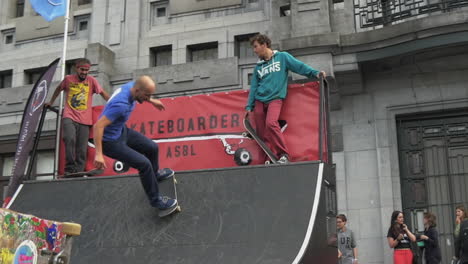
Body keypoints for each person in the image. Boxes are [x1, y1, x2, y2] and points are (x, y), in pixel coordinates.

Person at [92, 76, 177, 211]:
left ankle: (154, 176)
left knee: (152, 147)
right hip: (109, 142)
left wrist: (152, 101)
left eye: (150, 95)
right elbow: (97, 126)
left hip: (121, 131)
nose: (147, 98)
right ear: (137, 90)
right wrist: (98, 154)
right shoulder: (120, 105)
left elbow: (142, 92)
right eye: (146, 96)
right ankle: (156, 201)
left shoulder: (133, 86)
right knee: (144, 164)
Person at [245, 34, 326, 164]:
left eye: (255, 47)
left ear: (264, 45)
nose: (254, 50)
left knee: (271, 124)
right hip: (260, 100)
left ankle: (284, 155)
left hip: (275, 98)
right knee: (261, 132)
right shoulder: (258, 67)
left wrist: (315, 73)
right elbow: (254, 87)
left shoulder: (282, 57)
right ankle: (268, 157)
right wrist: (249, 106)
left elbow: (299, 66)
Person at [46, 58, 110, 175]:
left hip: (85, 120)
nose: (84, 72)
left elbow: (102, 93)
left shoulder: (91, 81)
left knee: (81, 148)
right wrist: (51, 102)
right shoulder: (68, 79)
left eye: (87, 70)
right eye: (82, 70)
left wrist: (114, 103)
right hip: (69, 115)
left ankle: (79, 171)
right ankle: (69, 167)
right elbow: (58, 89)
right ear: (77, 68)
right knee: (69, 138)